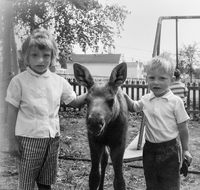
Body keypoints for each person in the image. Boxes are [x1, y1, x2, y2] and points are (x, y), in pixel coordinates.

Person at [5, 28, 87, 190]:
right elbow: (11, 112)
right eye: (35, 55)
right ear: (26, 57)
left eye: (46, 55)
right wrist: (12, 140)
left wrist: (92, 92)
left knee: (46, 180)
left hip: (52, 139)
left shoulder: (58, 81)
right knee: (27, 182)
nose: (41, 60)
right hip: (29, 139)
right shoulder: (19, 81)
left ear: (53, 57)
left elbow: (75, 102)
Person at [124, 54, 192, 190]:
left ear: (171, 80)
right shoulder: (145, 99)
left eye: (162, 78)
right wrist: (123, 95)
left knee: (171, 183)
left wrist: (186, 150)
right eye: (152, 78)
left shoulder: (175, 102)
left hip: (170, 149)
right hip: (149, 149)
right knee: (152, 181)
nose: (156, 82)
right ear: (146, 79)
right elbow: (132, 107)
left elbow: (183, 127)